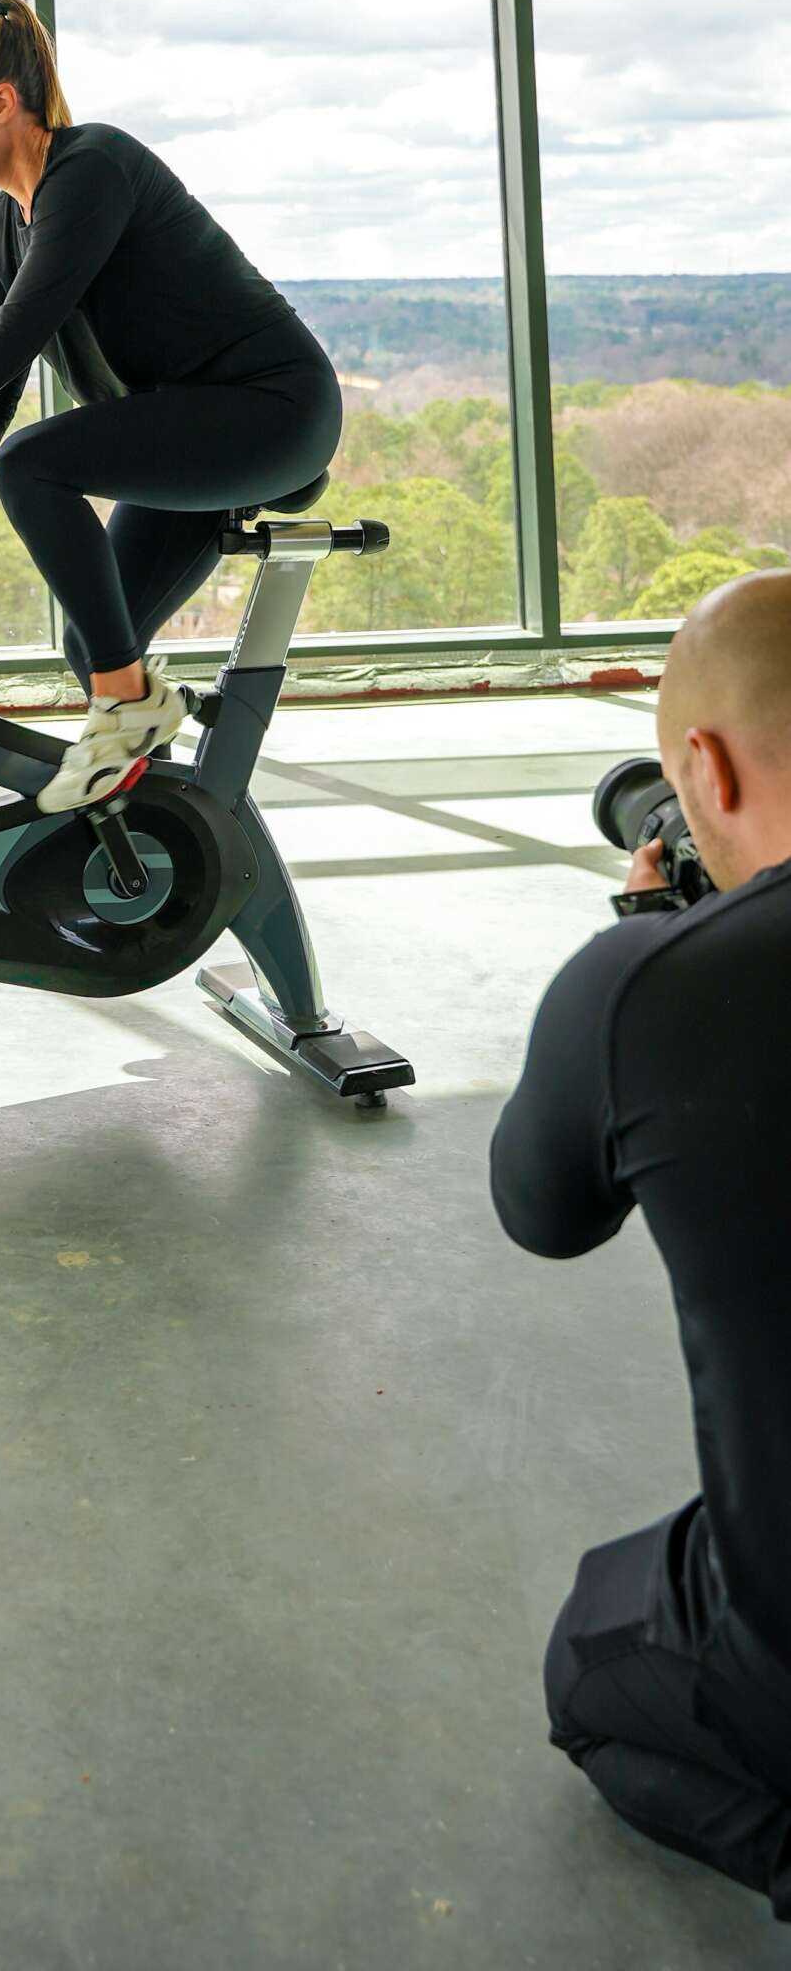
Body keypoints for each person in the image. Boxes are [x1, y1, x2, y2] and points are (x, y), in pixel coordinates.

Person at [0, 0, 343, 814]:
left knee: (32, 466)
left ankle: (130, 708)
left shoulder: (92, 169)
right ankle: (164, 830)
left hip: (273, 411)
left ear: (2, 103)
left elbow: (18, 335)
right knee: (96, 642)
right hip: (191, 431)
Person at [492, 570, 791, 1919]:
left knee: (591, 1659)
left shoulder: (644, 991)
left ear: (706, 772)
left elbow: (543, 1214)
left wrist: (648, 946)